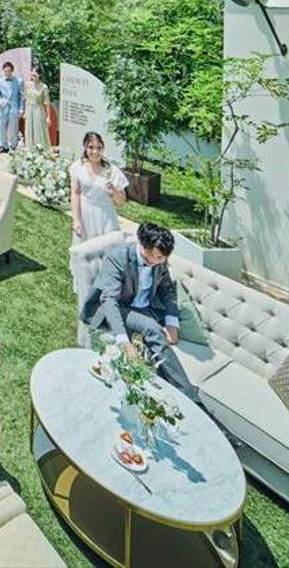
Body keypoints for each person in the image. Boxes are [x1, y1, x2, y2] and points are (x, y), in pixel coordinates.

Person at [79, 222, 199, 401]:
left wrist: (172, 322)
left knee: (151, 355)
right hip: (120, 307)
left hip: (145, 308)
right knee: (152, 328)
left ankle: (168, 398)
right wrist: (123, 341)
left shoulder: (160, 260)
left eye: (164, 258)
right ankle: (191, 397)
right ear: (143, 246)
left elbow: (167, 290)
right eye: (159, 257)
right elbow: (109, 300)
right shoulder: (117, 258)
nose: (162, 261)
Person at [70, 131, 128, 241]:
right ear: (85, 147)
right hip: (85, 217)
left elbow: (121, 202)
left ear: (103, 148)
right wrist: (76, 220)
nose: (95, 151)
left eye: (99, 148)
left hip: (105, 219)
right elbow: (75, 193)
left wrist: (113, 190)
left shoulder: (112, 171)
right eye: (91, 147)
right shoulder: (77, 167)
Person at [0, 61, 23, 153]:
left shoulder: (19, 81)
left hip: (14, 106)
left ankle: (14, 146)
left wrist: (21, 109)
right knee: (2, 126)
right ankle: (3, 145)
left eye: (9, 71)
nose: (7, 73)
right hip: (4, 107)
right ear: (3, 71)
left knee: (14, 127)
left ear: (12, 71)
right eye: (6, 71)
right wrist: (0, 101)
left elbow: (22, 97)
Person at [23, 66, 50, 149]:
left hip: (39, 110)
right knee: (29, 130)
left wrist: (48, 117)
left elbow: (47, 103)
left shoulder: (44, 87)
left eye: (36, 73)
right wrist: (25, 112)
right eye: (32, 72)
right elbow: (26, 99)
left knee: (39, 130)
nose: (33, 74)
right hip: (29, 109)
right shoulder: (27, 85)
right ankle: (29, 150)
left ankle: (40, 150)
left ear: (40, 75)